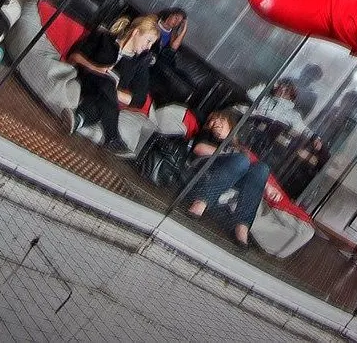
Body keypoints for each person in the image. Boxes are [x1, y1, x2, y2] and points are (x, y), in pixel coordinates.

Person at [64, 14, 161, 156]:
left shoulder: (140, 65)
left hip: (103, 96)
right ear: (136, 32)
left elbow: (139, 100)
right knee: (107, 82)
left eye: (151, 44)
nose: (148, 47)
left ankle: (78, 118)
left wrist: (113, 91)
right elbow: (74, 57)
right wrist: (95, 68)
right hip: (86, 80)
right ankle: (113, 138)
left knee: (106, 93)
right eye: (148, 41)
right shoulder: (103, 38)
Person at [185, 108, 275, 248]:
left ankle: (242, 225)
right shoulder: (208, 134)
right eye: (212, 121)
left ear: (231, 124)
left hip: (235, 172)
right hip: (210, 166)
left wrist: (267, 186)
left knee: (261, 168)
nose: (216, 122)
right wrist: (228, 154)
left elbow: (252, 166)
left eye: (221, 119)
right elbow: (199, 148)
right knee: (241, 161)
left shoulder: (238, 146)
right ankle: (201, 201)